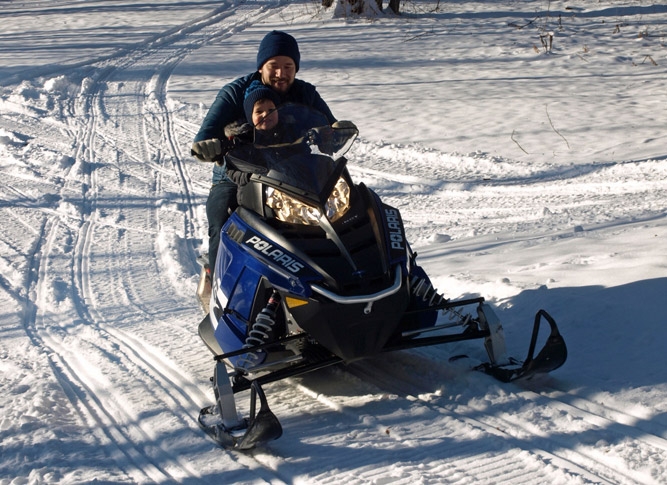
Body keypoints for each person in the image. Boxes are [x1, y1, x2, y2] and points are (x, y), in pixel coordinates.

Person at [191, 30, 337, 271]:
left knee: (337, 210)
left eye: (288, 66)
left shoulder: (305, 93)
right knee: (221, 219)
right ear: (261, 67)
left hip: (293, 170)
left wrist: (335, 132)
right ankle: (218, 280)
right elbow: (207, 133)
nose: (281, 73)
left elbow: (330, 129)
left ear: (296, 68)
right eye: (274, 66)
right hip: (238, 174)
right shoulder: (235, 92)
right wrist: (208, 145)